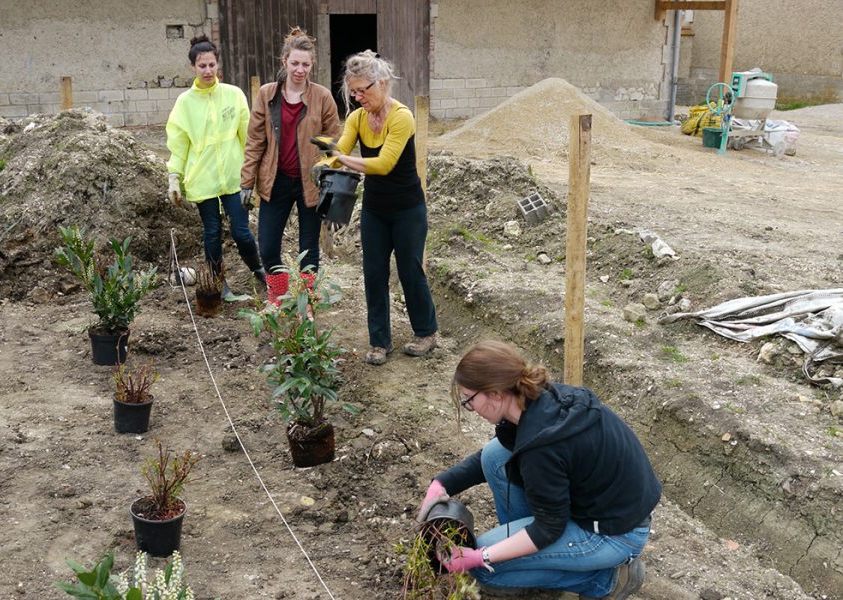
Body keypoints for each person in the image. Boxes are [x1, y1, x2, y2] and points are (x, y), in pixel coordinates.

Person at [418, 341, 661, 599]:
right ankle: (538, 561)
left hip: (615, 535)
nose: (470, 408)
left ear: (496, 394)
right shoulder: (536, 400)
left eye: (469, 399)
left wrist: (480, 556)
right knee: (494, 455)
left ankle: (606, 581)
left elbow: (548, 529)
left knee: (487, 571)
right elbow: (493, 458)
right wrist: (442, 484)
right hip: (602, 508)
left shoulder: (541, 448)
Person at [327, 50, 438, 365]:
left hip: (407, 209)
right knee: (374, 273)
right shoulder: (357, 118)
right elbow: (340, 148)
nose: (360, 97)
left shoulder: (402, 116)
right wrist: (325, 155)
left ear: (383, 83)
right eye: (354, 92)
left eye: (365, 90)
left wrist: (341, 159)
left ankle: (426, 331)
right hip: (375, 209)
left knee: (410, 270)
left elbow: (383, 164)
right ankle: (380, 342)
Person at [241, 27, 340, 305]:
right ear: (284, 61)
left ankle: (305, 301)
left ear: (312, 65)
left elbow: (334, 140)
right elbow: (255, 141)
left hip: (311, 183)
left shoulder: (321, 97)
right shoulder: (267, 94)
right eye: (295, 63)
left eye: (305, 64)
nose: (300, 70)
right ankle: (279, 298)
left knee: (308, 250)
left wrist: (326, 168)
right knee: (269, 246)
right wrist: (246, 182)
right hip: (276, 180)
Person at [166, 35, 266, 300]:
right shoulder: (185, 103)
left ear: (218, 65)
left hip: (234, 177)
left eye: (212, 65)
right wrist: (174, 177)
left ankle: (259, 270)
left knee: (241, 231)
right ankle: (218, 283)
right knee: (211, 231)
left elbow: (249, 137)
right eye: (202, 66)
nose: (208, 71)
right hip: (203, 179)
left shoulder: (233, 95)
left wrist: (254, 173)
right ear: (193, 68)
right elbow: (178, 145)